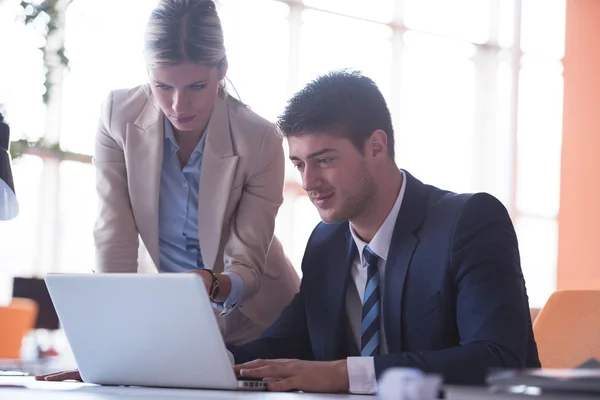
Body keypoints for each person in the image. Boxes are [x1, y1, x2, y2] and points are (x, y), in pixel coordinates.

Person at [227, 70, 541, 394]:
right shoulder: (327, 242)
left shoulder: (469, 223)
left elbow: (498, 358)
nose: (308, 182)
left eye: (323, 160)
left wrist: (345, 374)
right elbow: (286, 343)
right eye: (299, 164)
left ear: (376, 147)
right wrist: (213, 360)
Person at [37, 0, 299, 382]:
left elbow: (246, 263)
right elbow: (115, 239)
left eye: (196, 86)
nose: (179, 104)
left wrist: (210, 284)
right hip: (176, 326)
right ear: (148, 74)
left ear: (222, 70)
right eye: (162, 86)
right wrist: (109, 351)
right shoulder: (118, 116)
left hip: (258, 322)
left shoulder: (260, 139)